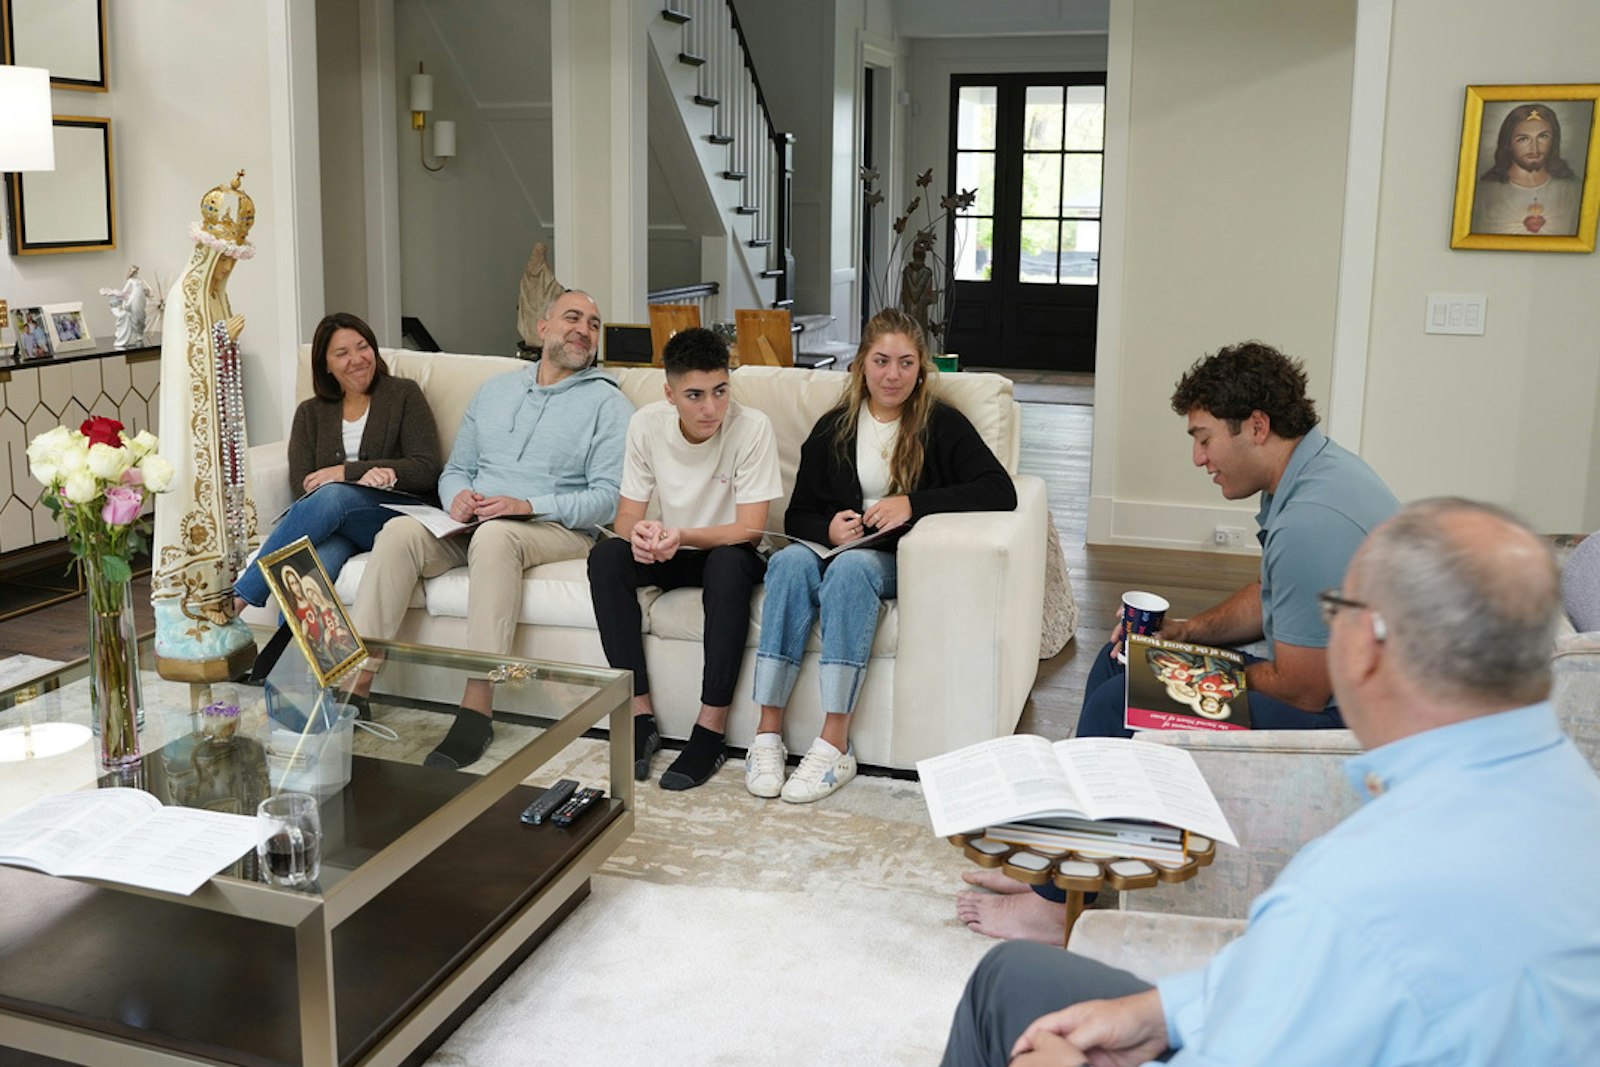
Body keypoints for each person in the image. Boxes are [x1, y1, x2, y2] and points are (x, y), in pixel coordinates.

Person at [941, 498, 1600, 1067]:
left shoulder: (1344, 897)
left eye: (1336, 609)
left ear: (1370, 643)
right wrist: (1166, 1009)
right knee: (1020, 971)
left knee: (1001, 990)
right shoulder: (1576, 791)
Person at [959, 341, 1398, 941]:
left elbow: (1300, 691)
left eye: (1204, 437)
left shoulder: (1312, 517)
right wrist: (1182, 635)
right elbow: (1273, 599)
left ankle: (1051, 909)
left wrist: (1181, 668)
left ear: (1258, 427)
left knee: (1123, 702)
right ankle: (1069, 869)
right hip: (1326, 687)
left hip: (1345, 725)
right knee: (1119, 663)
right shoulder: (1308, 475)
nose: (1198, 458)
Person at [346, 289, 632, 769]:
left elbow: (607, 497)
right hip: (474, 520)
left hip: (554, 527)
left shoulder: (608, 404)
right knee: (397, 534)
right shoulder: (496, 391)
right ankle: (355, 690)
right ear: (542, 328)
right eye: (573, 317)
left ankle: (476, 708)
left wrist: (526, 504)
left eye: (595, 323)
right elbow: (458, 467)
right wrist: (456, 496)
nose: (584, 329)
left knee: (498, 537)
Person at [747, 308, 1016, 803]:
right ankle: (767, 734)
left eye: (907, 363)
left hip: (887, 559)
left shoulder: (941, 424)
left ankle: (834, 743)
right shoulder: (833, 428)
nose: (893, 375)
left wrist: (914, 503)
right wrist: (827, 526)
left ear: (921, 368)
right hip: (833, 547)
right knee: (786, 562)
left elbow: (1000, 490)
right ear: (861, 365)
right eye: (882, 361)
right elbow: (797, 516)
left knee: (850, 569)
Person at [589, 327, 782, 790]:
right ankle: (639, 717)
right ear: (669, 393)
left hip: (732, 553)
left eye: (720, 391)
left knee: (728, 563)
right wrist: (643, 535)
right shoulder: (646, 424)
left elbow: (750, 530)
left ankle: (709, 731)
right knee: (606, 559)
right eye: (694, 395)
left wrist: (682, 534)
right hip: (672, 549)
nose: (710, 408)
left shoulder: (752, 427)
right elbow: (625, 517)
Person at [232, 312, 441, 616]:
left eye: (362, 347)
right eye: (342, 353)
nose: (357, 359)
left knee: (333, 495)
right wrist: (334, 482)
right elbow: (302, 483)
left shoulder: (403, 394)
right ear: (325, 365)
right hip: (337, 526)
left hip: (391, 517)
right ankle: (292, 664)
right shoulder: (310, 413)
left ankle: (242, 596)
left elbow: (426, 468)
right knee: (303, 575)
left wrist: (348, 473)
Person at [1471, 103, 1581, 236]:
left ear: (1554, 140)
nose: (1534, 148)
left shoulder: (1575, 190)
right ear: (1508, 144)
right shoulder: (1482, 192)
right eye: (1523, 139)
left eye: (1543, 137)